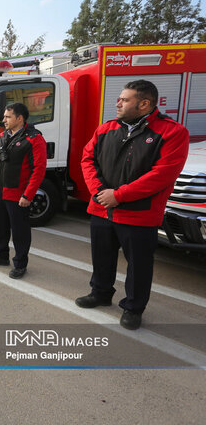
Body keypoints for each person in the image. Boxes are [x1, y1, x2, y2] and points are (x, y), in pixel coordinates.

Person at [77, 80, 189, 330]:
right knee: (101, 257)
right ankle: (101, 293)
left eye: (124, 99)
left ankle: (133, 307)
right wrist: (98, 192)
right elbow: (87, 159)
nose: (118, 103)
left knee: (138, 266)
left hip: (139, 215)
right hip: (101, 209)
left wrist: (119, 195)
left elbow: (162, 174)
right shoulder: (105, 129)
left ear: (144, 104)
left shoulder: (172, 132)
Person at [0, 102, 46, 280]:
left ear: (20, 118)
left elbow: (38, 170)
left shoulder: (34, 138)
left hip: (18, 196)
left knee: (20, 231)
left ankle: (20, 263)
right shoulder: (2, 136)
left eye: (7, 117)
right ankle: (1, 255)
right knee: (0, 227)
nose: (3, 120)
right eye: (4, 116)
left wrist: (28, 195)